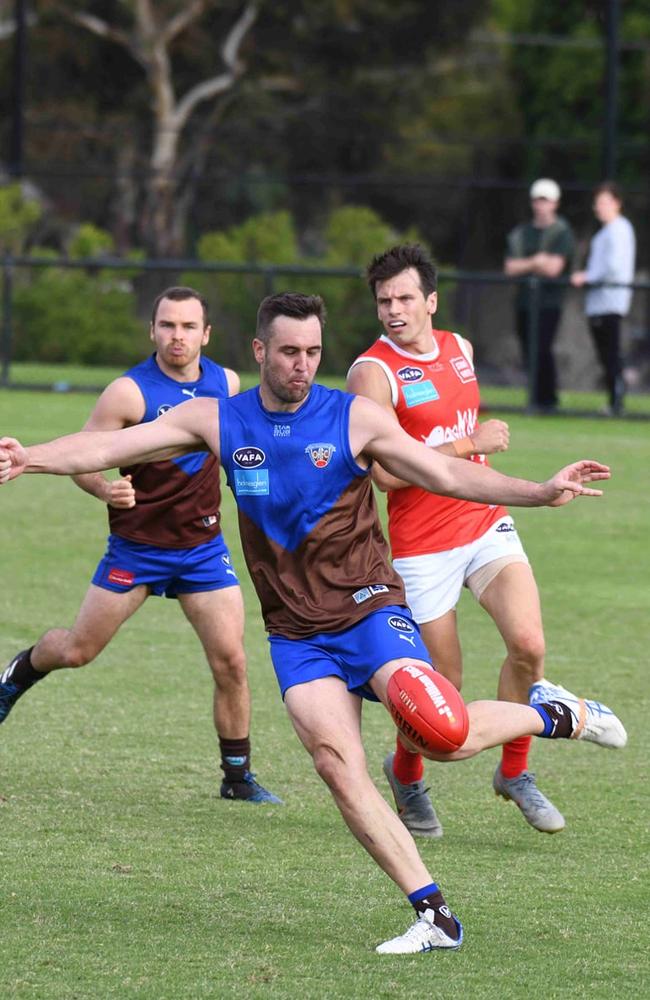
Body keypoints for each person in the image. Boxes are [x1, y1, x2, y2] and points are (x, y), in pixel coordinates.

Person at [0, 292, 627, 955]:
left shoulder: (354, 417)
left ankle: (556, 713)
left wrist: (539, 491)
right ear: (261, 352)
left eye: (313, 352)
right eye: (290, 352)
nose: (303, 365)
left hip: (367, 610)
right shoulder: (217, 418)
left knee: (443, 735)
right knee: (337, 766)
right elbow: (113, 444)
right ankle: (434, 916)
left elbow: (444, 472)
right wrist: (28, 457)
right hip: (296, 633)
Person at [0, 286, 280, 805]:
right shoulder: (128, 392)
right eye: (168, 326)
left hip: (202, 550)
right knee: (77, 651)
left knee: (233, 663)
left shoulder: (228, 383)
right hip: (137, 549)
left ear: (206, 334)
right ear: (153, 330)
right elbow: (88, 453)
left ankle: (237, 778)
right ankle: (18, 673)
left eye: (188, 327)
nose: (178, 337)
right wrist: (106, 488)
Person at [347, 242, 570, 838]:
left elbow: (459, 427)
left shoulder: (459, 348)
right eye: (383, 301)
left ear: (431, 300)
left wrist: (475, 455)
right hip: (421, 545)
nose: (393, 310)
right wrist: (468, 446)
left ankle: (514, 771)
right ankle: (406, 772)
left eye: (404, 298)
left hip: (483, 521)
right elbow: (384, 473)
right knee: (440, 690)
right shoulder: (373, 372)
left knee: (529, 646)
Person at [504, 178, 575, 413]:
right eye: (537, 200)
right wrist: (537, 261)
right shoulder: (521, 233)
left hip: (548, 303)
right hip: (525, 303)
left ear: (554, 203)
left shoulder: (561, 232)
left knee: (543, 347)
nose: (540, 205)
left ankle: (548, 399)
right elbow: (510, 268)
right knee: (527, 349)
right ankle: (535, 398)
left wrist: (526, 264)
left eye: (545, 200)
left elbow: (554, 268)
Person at [571, 181, 636, 416]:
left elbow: (612, 266)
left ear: (617, 203)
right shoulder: (606, 232)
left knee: (610, 353)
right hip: (599, 302)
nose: (599, 208)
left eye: (604, 202)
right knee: (606, 353)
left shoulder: (619, 229)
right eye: (597, 203)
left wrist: (586, 276)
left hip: (609, 301)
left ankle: (616, 400)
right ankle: (614, 398)